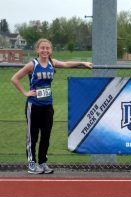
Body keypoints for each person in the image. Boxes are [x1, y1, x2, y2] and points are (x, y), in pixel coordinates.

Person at [11, 38, 92, 174]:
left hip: (48, 105)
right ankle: (32, 164)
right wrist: (25, 92)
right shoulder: (33, 64)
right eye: (42, 48)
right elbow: (14, 78)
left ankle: (42, 163)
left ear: (51, 50)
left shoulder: (51, 63)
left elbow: (66, 64)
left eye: (47, 48)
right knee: (32, 136)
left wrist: (82, 62)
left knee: (46, 136)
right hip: (34, 106)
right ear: (37, 50)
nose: (45, 50)